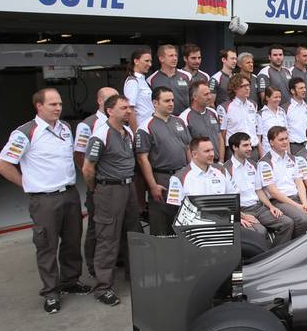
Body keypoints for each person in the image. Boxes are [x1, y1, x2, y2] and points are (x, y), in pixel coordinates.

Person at [0, 88, 89, 314]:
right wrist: (27, 184)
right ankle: (51, 292)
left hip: (69, 194)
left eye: (59, 104)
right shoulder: (25, 133)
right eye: (52, 104)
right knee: (47, 245)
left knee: (72, 241)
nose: (58, 108)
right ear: (39, 106)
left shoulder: (65, 128)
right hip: (44, 199)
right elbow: (2, 165)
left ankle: (70, 281)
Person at [165, 136, 294, 246]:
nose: (212, 154)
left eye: (212, 150)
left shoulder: (220, 171)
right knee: (256, 233)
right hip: (198, 227)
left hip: (226, 220)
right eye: (207, 151)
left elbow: (232, 198)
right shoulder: (179, 178)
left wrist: (240, 216)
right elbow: (175, 212)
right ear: (194, 154)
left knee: (260, 230)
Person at [81, 95, 141, 307]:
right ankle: (103, 287)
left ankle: (135, 275)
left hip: (128, 188)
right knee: (108, 238)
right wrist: (95, 189)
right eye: (123, 108)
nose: (129, 111)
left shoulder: (128, 132)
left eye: (129, 107)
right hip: (109, 190)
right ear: (110, 111)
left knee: (133, 232)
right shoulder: (100, 135)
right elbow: (88, 169)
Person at [73, 86, 118, 279]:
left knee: (116, 225)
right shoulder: (87, 125)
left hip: (117, 184)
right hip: (98, 184)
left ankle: (117, 260)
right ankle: (92, 266)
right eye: (110, 98)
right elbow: (79, 155)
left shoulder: (120, 122)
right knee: (96, 226)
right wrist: (92, 181)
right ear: (100, 101)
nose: (115, 101)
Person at [135, 87, 191, 236]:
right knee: (161, 223)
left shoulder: (179, 122)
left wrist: (191, 173)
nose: (171, 103)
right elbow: (142, 159)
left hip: (182, 175)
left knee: (183, 220)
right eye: (166, 101)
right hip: (162, 178)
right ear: (155, 103)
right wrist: (152, 185)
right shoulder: (146, 127)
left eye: (172, 100)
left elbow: (187, 148)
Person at [222, 132, 297, 242]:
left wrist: (271, 206)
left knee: (287, 223)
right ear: (234, 147)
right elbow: (225, 200)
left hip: (259, 208)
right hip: (241, 210)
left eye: (250, 145)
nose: (250, 148)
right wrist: (241, 216)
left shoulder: (253, 164)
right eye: (245, 145)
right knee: (260, 231)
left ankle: (278, 251)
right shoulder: (225, 169)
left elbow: (258, 190)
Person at [258, 126, 307, 231]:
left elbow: (299, 183)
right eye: (281, 139)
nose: (285, 142)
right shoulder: (265, 163)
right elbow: (273, 192)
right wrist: (297, 206)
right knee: (303, 219)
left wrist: (304, 203)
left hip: (297, 198)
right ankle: (301, 241)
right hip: (279, 201)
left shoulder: (293, 158)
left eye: (286, 138)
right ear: (271, 142)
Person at [180, 80, 224, 162]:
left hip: (217, 163)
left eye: (209, 93)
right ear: (195, 97)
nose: (210, 97)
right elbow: (187, 146)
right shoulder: (184, 117)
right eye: (205, 94)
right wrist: (193, 166)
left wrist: (221, 161)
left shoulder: (213, 112)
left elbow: (220, 138)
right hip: (200, 164)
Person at [221, 74, 261, 161]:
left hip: (253, 150)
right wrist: (221, 160)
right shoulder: (225, 107)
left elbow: (256, 131)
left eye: (248, 85)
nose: (247, 88)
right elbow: (222, 135)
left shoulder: (253, 105)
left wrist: (261, 155)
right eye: (243, 86)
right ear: (235, 88)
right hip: (235, 151)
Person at [148, 44, 190, 116]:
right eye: (171, 56)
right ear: (161, 59)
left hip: (185, 118)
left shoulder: (187, 76)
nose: (175, 58)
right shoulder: (151, 80)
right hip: (163, 119)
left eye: (176, 55)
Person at [123, 48, 153, 130]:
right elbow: (130, 109)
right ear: (136, 61)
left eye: (150, 61)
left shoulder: (143, 80)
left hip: (149, 127)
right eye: (146, 61)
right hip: (141, 128)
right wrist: (135, 133)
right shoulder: (132, 81)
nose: (150, 64)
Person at [286, 77, 307, 156]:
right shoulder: (285, 108)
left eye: (304, 87)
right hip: (293, 146)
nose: (304, 90)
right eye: (301, 88)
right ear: (293, 91)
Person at [258, 86, 288, 155]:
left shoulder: (282, 112)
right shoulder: (261, 114)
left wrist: (289, 154)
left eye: (279, 97)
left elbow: (287, 135)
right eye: (275, 97)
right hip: (268, 152)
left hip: (284, 153)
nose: (278, 99)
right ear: (267, 98)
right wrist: (262, 157)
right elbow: (259, 139)